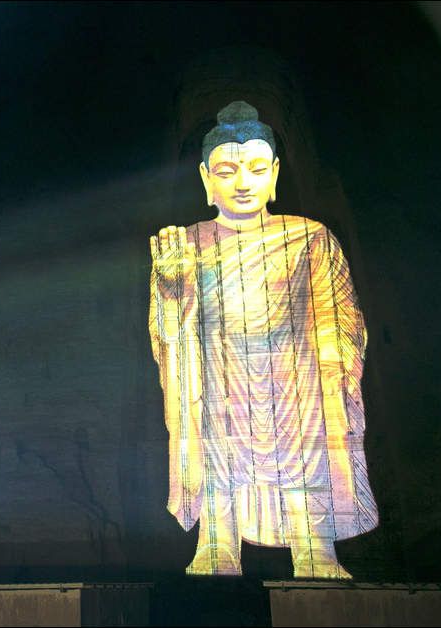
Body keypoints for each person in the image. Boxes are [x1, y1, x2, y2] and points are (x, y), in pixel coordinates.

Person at [148, 101, 378, 578]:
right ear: (206, 179)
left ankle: (315, 550)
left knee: (307, 453)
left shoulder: (309, 237)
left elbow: (337, 314)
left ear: (274, 174)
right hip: (220, 374)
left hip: (295, 377)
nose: (242, 182)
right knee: (215, 448)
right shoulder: (186, 243)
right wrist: (172, 287)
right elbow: (171, 334)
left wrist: (331, 370)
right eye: (226, 171)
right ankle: (218, 544)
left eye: (256, 169)